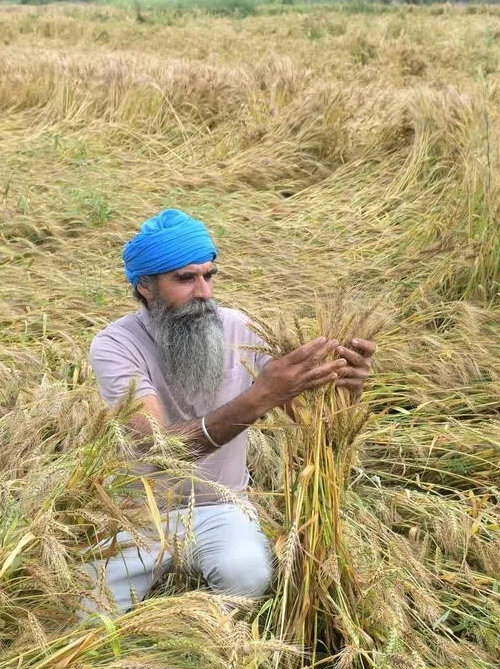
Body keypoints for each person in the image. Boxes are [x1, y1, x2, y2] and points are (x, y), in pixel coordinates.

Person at [83, 208, 375, 614]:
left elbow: (312, 425)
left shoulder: (239, 328)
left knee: (247, 575)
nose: (203, 292)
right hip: (139, 510)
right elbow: (160, 450)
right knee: (86, 608)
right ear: (146, 287)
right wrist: (259, 397)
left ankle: (203, 647)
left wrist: (348, 387)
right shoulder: (115, 346)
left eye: (209, 275)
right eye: (185, 279)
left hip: (221, 505)